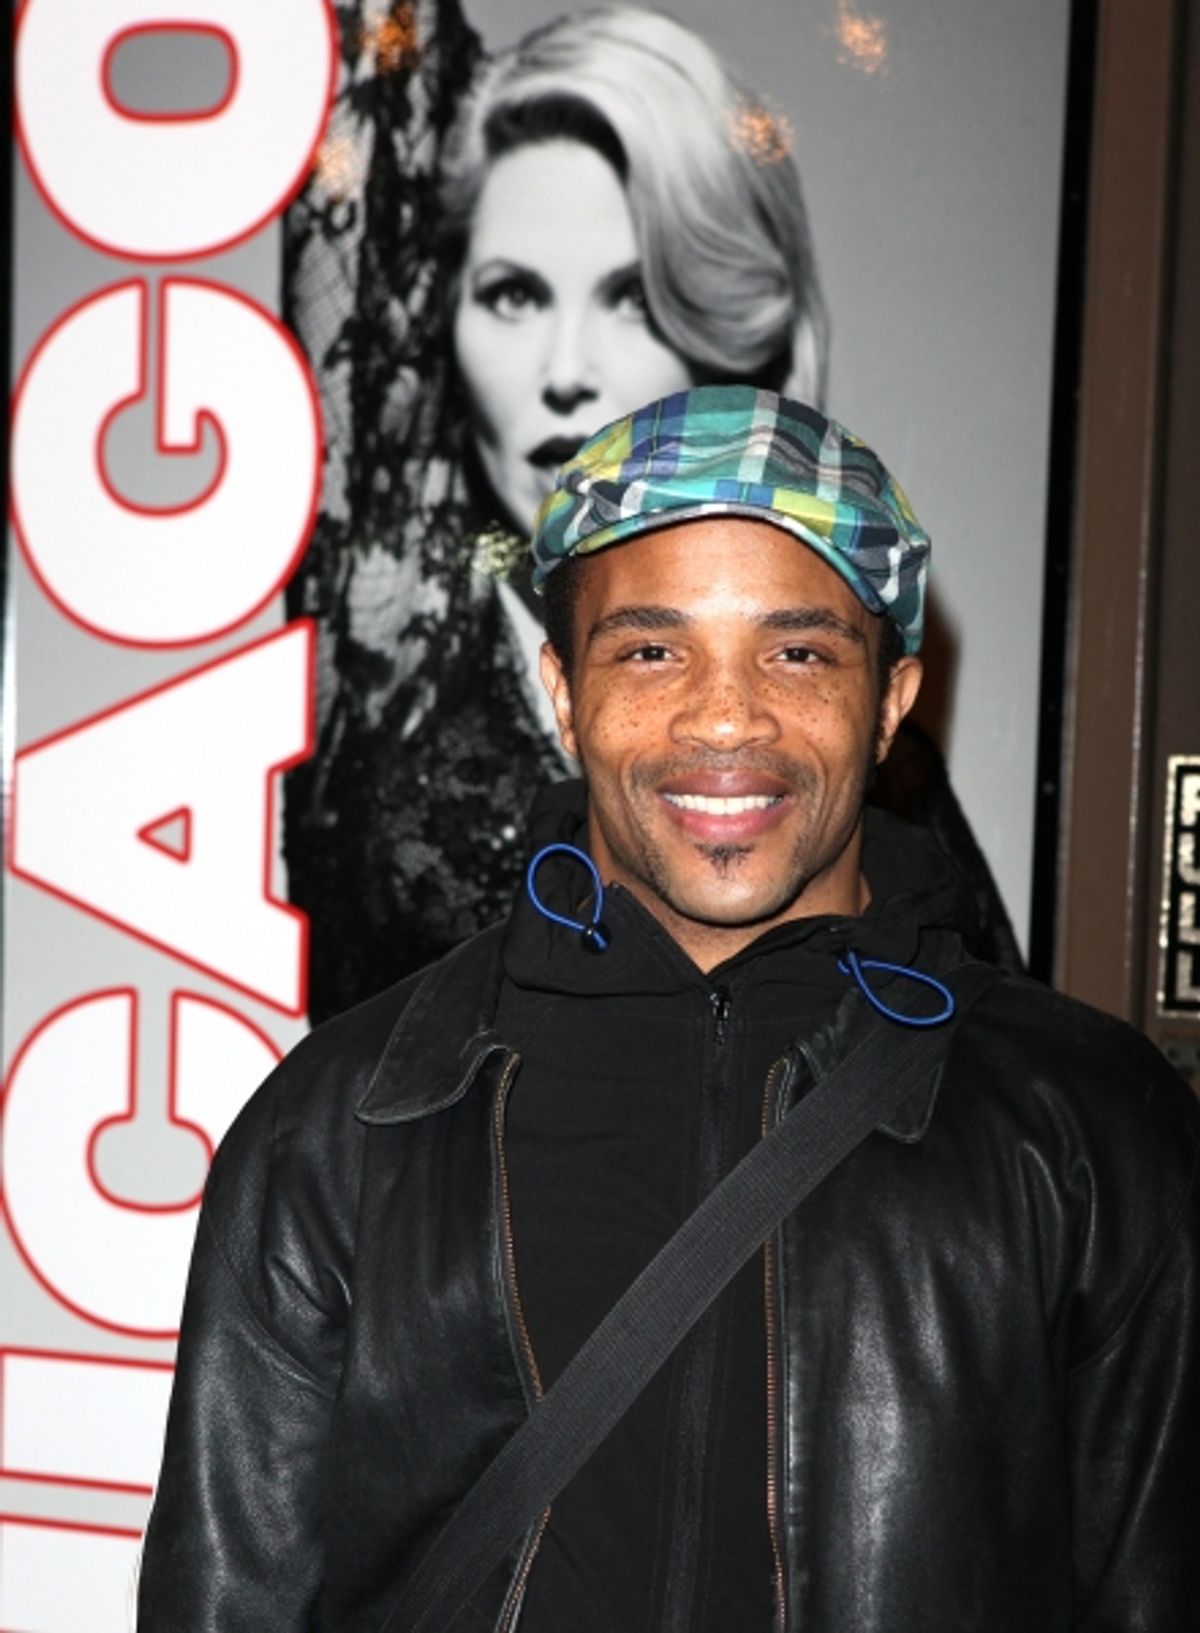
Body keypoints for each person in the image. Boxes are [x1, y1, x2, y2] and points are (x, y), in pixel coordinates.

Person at [139, 386, 1199, 1631]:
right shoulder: (347, 1119)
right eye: (652, 649)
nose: (725, 717)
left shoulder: (1094, 1124)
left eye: (798, 650)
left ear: (895, 697)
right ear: (560, 688)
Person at [285, 3, 1017, 1024]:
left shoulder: (880, 789)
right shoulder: (365, 685)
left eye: (631, 296)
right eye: (513, 294)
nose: (566, 373)